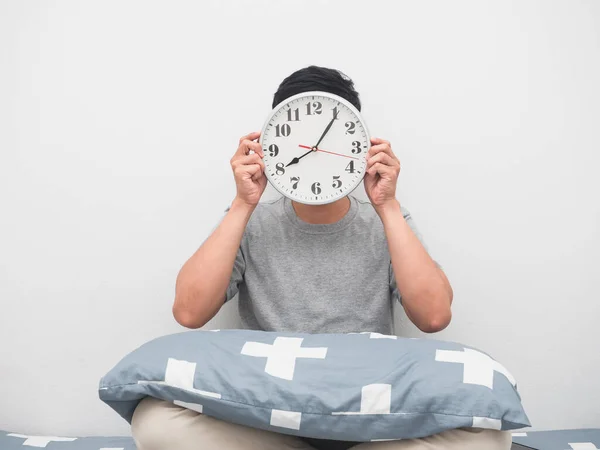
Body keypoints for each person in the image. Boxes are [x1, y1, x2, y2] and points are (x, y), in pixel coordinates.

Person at [130, 66, 511, 450]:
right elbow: (189, 312)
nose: (312, 150)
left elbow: (434, 317)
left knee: (491, 437)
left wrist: (389, 206)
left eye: (325, 139)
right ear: (272, 142)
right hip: (269, 415)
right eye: (300, 137)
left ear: (357, 144)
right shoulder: (250, 220)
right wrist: (242, 204)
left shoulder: (386, 221)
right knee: (153, 422)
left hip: (366, 412)